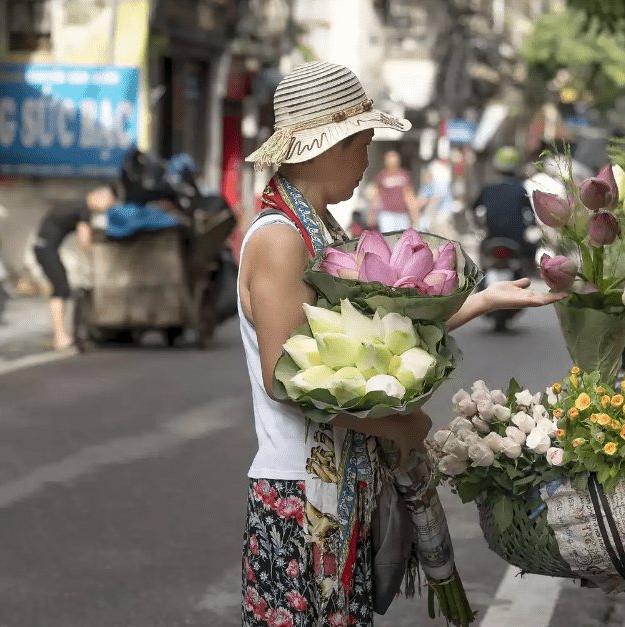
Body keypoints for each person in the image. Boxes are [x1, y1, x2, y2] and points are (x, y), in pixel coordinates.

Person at [237, 61, 565, 627]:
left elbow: (377, 346)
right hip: (302, 495)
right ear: (327, 147)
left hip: (338, 487)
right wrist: (396, 426)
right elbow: (285, 380)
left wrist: (484, 301)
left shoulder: (321, 231)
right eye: (362, 144)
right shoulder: (280, 241)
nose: (367, 162)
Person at [33, 184, 115, 349]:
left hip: (45, 247)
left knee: (63, 289)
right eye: (108, 203)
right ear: (98, 196)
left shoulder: (77, 205)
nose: (107, 208)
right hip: (45, 248)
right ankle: (60, 336)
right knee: (61, 289)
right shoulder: (83, 209)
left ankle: (62, 334)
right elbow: (84, 241)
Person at [472, 146, 537, 269]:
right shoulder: (520, 190)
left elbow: (474, 208)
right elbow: (530, 215)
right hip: (516, 242)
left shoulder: (487, 190)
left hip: (491, 238)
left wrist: (479, 225)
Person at [367, 150, 420, 232]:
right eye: (390, 159)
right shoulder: (382, 176)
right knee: (389, 240)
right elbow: (377, 197)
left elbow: (409, 195)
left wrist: (415, 216)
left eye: (394, 159)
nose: (392, 162)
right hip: (387, 215)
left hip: (402, 214)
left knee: (402, 241)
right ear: (385, 161)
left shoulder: (403, 175)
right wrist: (372, 216)